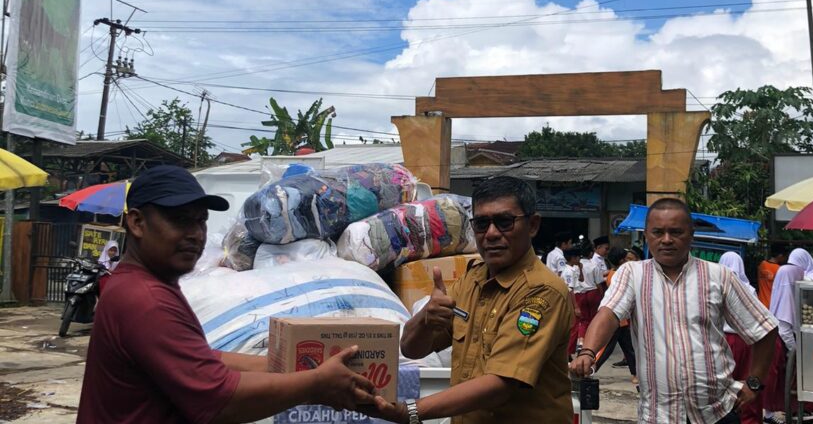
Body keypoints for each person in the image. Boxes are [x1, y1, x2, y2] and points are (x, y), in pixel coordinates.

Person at [77, 165, 377, 423]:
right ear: (137, 223)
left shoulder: (144, 284)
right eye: (180, 220)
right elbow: (219, 400)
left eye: (201, 220)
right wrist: (315, 384)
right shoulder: (145, 300)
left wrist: (291, 366)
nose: (196, 233)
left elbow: (202, 359)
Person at [376, 176, 575, 423]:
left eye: (504, 222)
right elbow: (411, 348)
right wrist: (427, 318)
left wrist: (409, 412)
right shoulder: (471, 280)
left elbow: (501, 383)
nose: (491, 234)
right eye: (481, 223)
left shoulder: (541, 292)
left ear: (532, 225)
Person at [571, 198, 778, 424]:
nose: (666, 240)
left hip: (716, 413)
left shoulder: (719, 276)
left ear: (691, 234)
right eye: (658, 232)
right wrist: (587, 352)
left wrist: (754, 383)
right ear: (646, 235)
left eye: (676, 232)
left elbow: (765, 328)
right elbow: (608, 314)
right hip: (659, 416)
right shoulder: (632, 273)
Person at [763, 248, 813, 422]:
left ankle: (781, 409)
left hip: (777, 338)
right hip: (781, 340)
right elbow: (785, 326)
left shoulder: (784, 279)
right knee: (778, 378)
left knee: (780, 378)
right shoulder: (788, 287)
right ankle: (770, 412)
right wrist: (795, 350)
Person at [718, 251, 763, 424]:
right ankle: (749, 419)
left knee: (723, 383)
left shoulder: (716, 285)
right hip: (747, 341)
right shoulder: (749, 289)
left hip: (723, 340)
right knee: (748, 381)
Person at [593, 247, 637, 386]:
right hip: (617, 318)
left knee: (628, 347)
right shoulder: (618, 276)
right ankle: (590, 367)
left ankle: (636, 373)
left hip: (621, 319)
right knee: (607, 347)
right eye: (627, 259)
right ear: (622, 260)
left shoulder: (611, 273)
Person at [758, 243, 790, 308]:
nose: (785, 259)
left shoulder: (762, 264)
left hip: (760, 303)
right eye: (785, 256)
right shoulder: (779, 269)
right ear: (780, 255)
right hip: (773, 305)